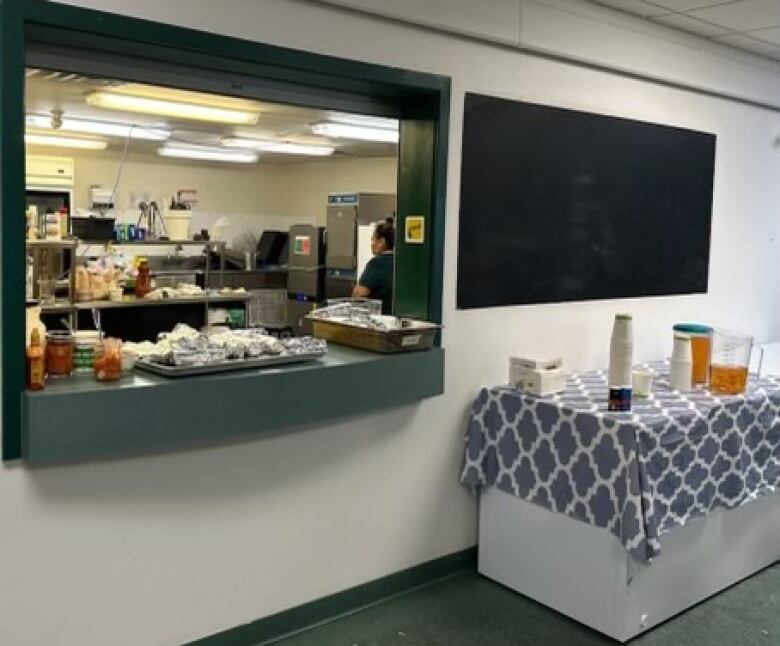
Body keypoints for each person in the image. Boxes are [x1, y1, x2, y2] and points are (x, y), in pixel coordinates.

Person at [353, 217, 394, 314]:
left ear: (381, 242)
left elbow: (358, 294)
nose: (371, 244)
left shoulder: (377, 263)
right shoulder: (400, 262)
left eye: (373, 239)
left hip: (379, 318)